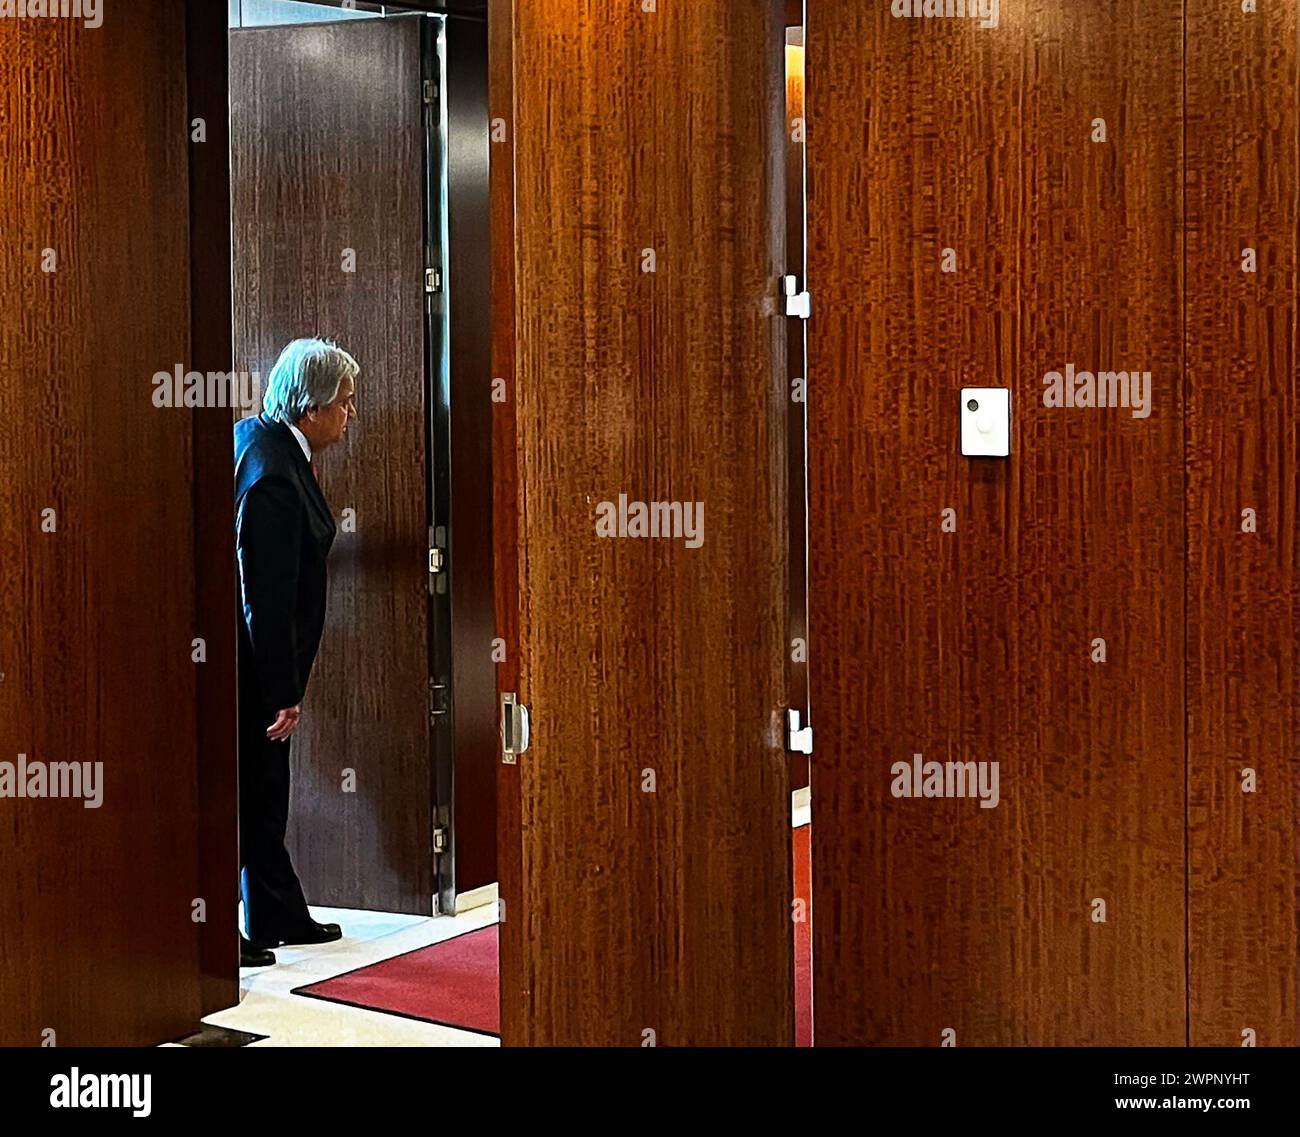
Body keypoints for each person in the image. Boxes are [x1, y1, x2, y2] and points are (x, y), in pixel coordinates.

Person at [233, 338, 358, 968]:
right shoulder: (275, 475)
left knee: (263, 792)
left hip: (255, 663)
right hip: (253, 670)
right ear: (309, 407)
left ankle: (276, 912)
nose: (350, 413)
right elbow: (268, 596)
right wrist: (282, 690)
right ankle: (219, 932)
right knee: (247, 792)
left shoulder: (259, 440)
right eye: (343, 401)